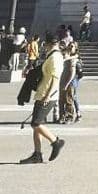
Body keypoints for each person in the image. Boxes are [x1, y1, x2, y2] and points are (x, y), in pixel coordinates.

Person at [19, 32, 66, 164]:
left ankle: (56, 142)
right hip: (43, 93)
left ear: (50, 43)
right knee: (36, 124)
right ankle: (37, 154)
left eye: (45, 44)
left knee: (36, 123)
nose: (44, 46)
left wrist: (47, 95)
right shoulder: (52, 56)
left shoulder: (55, 57)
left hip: (47, 95)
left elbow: (55, 78)